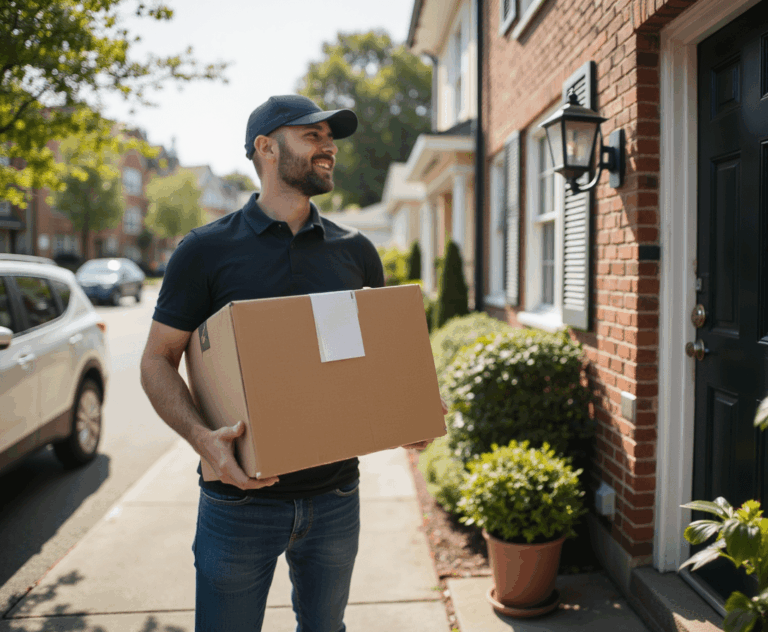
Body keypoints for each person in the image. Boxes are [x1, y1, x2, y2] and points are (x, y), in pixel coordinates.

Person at [139, 94, 437, 632]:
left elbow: (376, 360)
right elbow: (157, 361)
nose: (329, 148)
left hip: (336, 496)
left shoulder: (355, 251)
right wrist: (203, 439)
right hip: (238, 502)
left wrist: (408, 409)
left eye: (331, 138)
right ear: (267, 148)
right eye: (312, 135)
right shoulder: (204, 251)